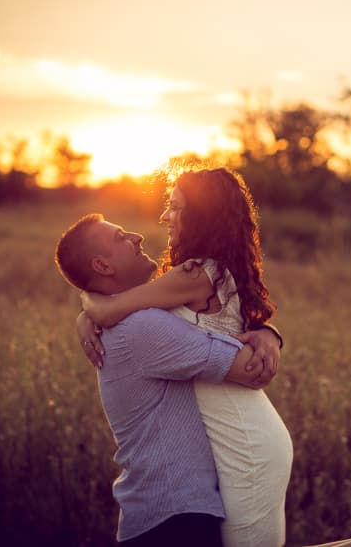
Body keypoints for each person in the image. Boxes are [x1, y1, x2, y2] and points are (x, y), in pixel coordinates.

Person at [78, 168, 293, 547]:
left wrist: (87, 304)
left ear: (201, 216)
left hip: (245, 436)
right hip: (230, 433)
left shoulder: (194, 275)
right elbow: (133, 307)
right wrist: (269, 333)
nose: (164, 217)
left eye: (175, 207)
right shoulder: (195, 275)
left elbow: (112, 310)